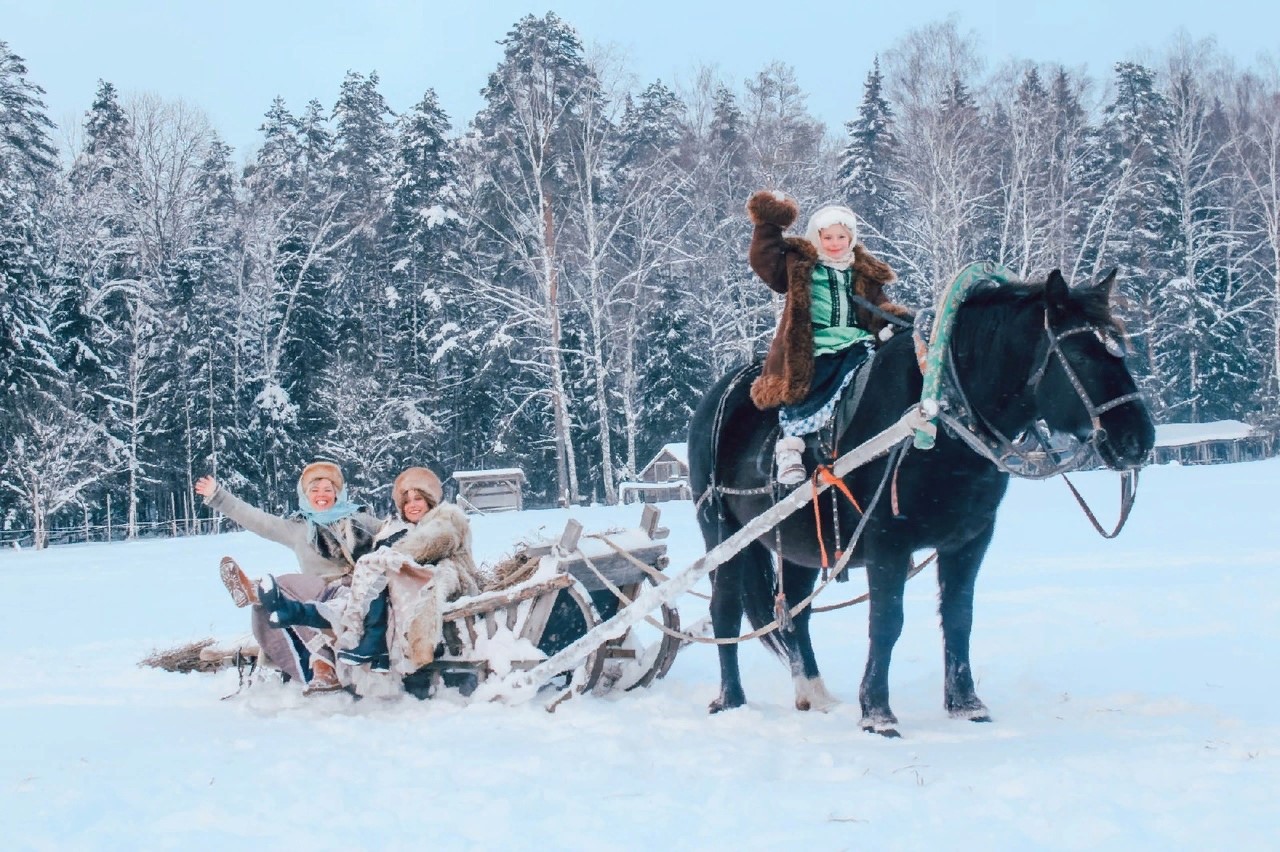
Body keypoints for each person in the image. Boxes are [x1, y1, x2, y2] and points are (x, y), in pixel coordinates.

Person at [257, 466, 484, 694]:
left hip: (449, 577)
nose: (412, 505)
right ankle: (294, 611)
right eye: (407, 501)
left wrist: (386, 553)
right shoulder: (401, 528)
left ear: (430, 501)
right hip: (405, 582)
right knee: (354, 595)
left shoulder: (446, 519)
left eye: (418, 499)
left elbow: (427, 546)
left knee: (371, 567)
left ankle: (371, 641)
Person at [745, 190, 913, 484]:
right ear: (816, 238)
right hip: (815, 345)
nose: (835, 244)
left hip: (858, 341)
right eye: (828, 237)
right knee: (805, 388)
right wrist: (769, 224)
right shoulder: (799, 265)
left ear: (851, 239)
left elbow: (877, 305)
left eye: (841, 237)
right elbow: (765, 260)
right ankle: (791, 450)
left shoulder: (863, 272)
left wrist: (890, 321)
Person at [195, 461, 381, 694]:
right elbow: (259, 520)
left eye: (327, 489)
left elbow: (398, 532)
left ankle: (257, 589)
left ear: (338, 492)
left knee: (281, 584)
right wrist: (219, 496)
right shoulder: (298, 529)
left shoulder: (360, 522)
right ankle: (311, 667)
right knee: (266, 609)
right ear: (305, 495)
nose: (321, 495)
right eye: (314, 490)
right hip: (315, 591)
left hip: (354, 589)